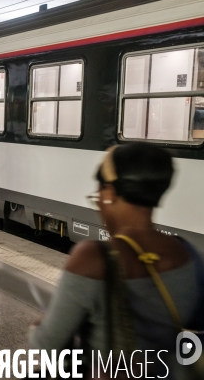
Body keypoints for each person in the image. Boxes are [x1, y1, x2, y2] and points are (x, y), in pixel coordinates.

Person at [29, 143, 203, 379]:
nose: (98, 203)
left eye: (98, 195)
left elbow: (48, 344)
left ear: (109, 194)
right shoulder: (186, 253)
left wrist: (39, 327)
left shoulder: (91, 257)